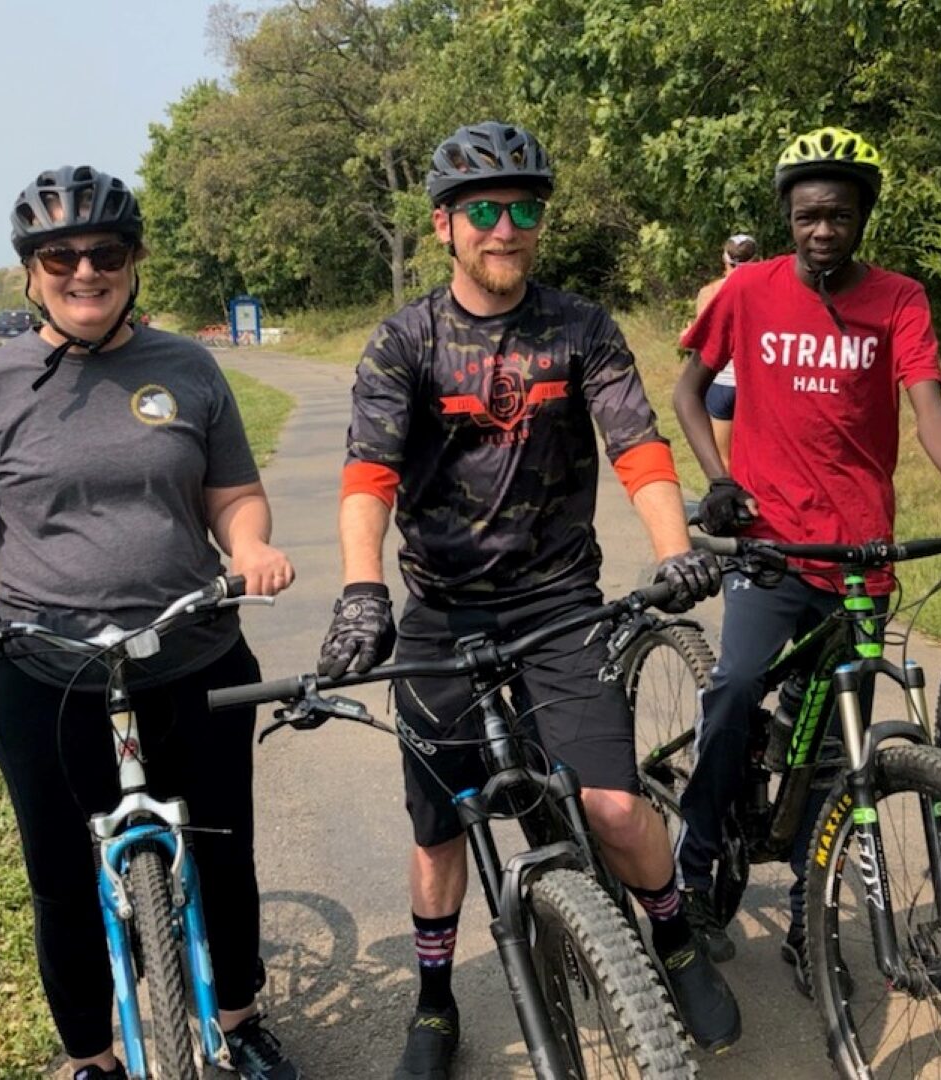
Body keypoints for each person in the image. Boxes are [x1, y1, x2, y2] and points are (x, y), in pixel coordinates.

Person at [318, 120, 739, 1079]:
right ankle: (433, 1003)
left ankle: (675, 940)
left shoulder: (579, 326)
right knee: (440, 827)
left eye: (523, 210)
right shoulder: (406, 340)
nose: (504, 229)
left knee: (615, 807)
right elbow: (368, 476)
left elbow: (637, 445)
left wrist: (674, 551)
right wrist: (360, 593)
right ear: (444, 226)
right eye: (483, 212)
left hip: (558, 603)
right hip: (442, 609)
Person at [0, 167, 300, 1080]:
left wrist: (249, 546)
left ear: (133, 261)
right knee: (61, 877)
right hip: (45, 669)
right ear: (31, 272)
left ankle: (238, 1020)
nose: (85, 271)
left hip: (193, 653)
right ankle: (91, 1055)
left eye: (106, 253)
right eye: (60, 257)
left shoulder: (187, 368)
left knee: (223, 851)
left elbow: (233, 495)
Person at [670, 127, 941, 1003]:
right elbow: (688, 389)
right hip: (771, 546)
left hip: (859, 555)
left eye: (838, 215)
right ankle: (693, 864)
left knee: (838, 751)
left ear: (863, 217)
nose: (822, 230)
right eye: (807, 216)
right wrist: (718, 480)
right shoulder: (749, 291)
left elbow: (928, 406)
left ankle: (811, 915)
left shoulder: (898, 299)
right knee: (734, 690)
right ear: (787, 218)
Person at [691, 234, 759, 469]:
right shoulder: (768, 293)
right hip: (755, 386)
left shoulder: (709, 292)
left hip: (721, 382)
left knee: (723, 460)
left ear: (724, 258)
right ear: (758, 259)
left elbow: (701, 341)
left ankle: (728, 494)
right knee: (756, 459)